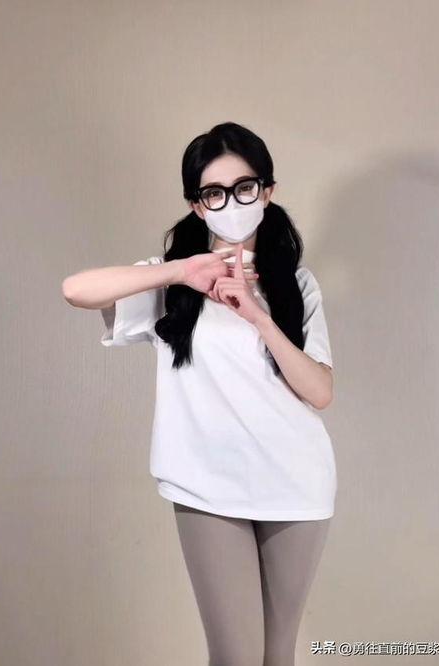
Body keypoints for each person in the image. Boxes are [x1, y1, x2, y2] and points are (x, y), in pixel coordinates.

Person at [62, 121, 336, 666]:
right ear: (197, 205)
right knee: (236, 656)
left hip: (297, 483)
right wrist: (181, 269)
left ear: (268, 191)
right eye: (214, 193)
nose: (232, 203)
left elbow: (320, 391)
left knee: (277, 655)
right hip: (207, 486)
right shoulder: (172, 283)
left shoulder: (297, 284)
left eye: (244, 187)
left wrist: (259, 317)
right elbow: (76, 289)